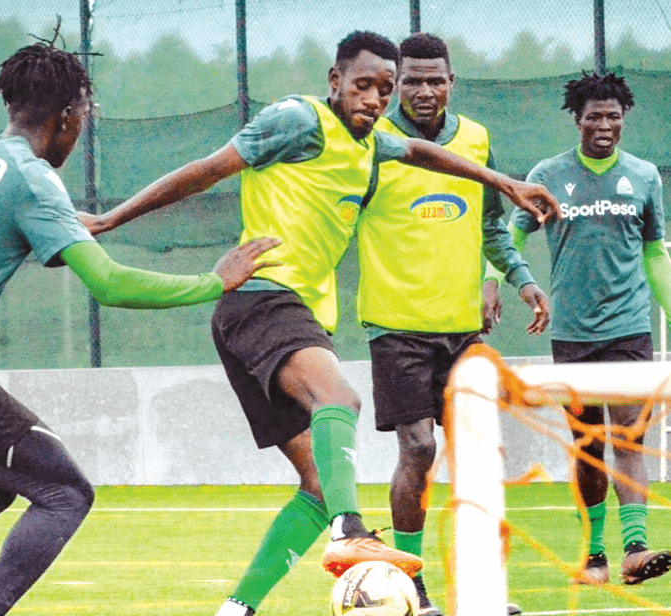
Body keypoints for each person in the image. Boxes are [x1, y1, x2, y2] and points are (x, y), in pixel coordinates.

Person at [79, 30, 559, 616]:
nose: (375, 99)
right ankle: (348, 530)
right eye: (363, 85)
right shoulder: (296, 120)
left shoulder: (371, 144)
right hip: (261, 299)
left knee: (314, 484)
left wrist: (502, 183)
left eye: (385, 89)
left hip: (288, 316)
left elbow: (425, 153)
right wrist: (110, 220)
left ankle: (237, 608)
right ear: (334, 81)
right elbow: (206, 171)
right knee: (341, 399)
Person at [0, 41, 280, 616]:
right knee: (65, 493)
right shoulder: (34, 180)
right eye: (83, 120)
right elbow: (111, 286)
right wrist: (213, 282)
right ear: (69, 116)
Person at [357, 33, 544, 616]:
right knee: (417, 448)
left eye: (435, 79)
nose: (423, 90)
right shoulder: (371, 146)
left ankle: (482, 591)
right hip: (396, 327)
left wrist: (518, 277)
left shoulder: (477, 140)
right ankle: (411, 587)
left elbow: (492, 227)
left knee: (478, 459)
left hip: (464, 331)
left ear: (451, 82)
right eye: (410, 80)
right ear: (394, 85)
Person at [500, 70, 671, 586]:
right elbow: (510, 233)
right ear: (576, 119)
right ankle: (593, 555)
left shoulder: (644, 177)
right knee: (589, 447)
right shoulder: (548, 174)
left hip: (630, 330)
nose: (603, 124)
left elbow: (654, 253)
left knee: (630, 438)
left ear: (624, 121)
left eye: (612, 116)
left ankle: (635, 549)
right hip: (573, 335)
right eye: (593, 115)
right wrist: (513, 281)